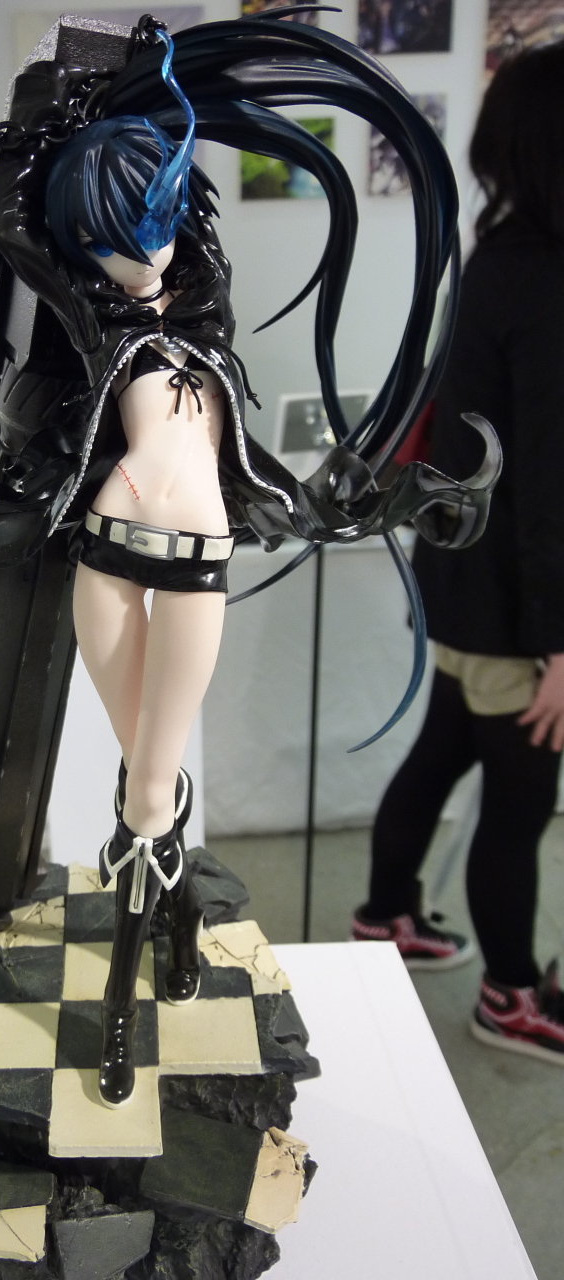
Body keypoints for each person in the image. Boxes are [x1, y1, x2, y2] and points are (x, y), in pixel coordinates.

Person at [0, 13, 498, 1104]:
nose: (135, 257)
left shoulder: (201, 298)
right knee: (139, 779)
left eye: (147, 230)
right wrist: (39, 107)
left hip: (194, 558)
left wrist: (127, 89)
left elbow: (171, 229)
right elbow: (9, 218)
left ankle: (127, 997)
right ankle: (165, 944)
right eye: (110, 240)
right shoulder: (92, 304)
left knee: (152, 787)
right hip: (109, 547)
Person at [353, 40, 564, 1065]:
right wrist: (560, 644)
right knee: (517, 807)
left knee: (443, 751)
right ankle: (510, 996)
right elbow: (549, 486)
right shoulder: (543, 275)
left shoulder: (503, 252)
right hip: (512, 601)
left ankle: (385, 914)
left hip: (465, 574)